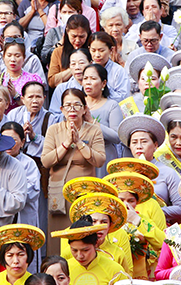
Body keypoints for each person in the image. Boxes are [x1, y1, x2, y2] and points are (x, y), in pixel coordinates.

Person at [42, 88, 105, 254]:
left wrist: (79, 143)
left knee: (81, 233)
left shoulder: (93, 130)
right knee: (58, 237)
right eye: (67, 106)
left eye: (77, 105)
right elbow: (46, 161)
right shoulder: (54, 130)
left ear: (85, 109)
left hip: (83, 192)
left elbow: (99, 160)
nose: (72, 109)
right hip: (59, 191)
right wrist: (65, 144)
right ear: (61, 109)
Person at [53, 216, 128, 284]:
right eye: (74, 250)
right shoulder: (63, 270)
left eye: (85, 250)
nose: (80, 256)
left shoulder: (115, 270)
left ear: (96, 244)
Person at [0, 38, 43, 112]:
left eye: (17, 56)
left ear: (24, 58)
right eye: (9, 55)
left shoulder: (33, 79)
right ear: (3, 57)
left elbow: (35, 105)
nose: (13, 59)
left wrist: (16, 95)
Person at [48, 15, 91, 88]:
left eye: (82, 36)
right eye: (74, 36)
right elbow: (52, 81)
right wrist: (75, 68)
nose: (77, 40)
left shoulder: (92, 51)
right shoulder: (58, 52)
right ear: (67, 33)